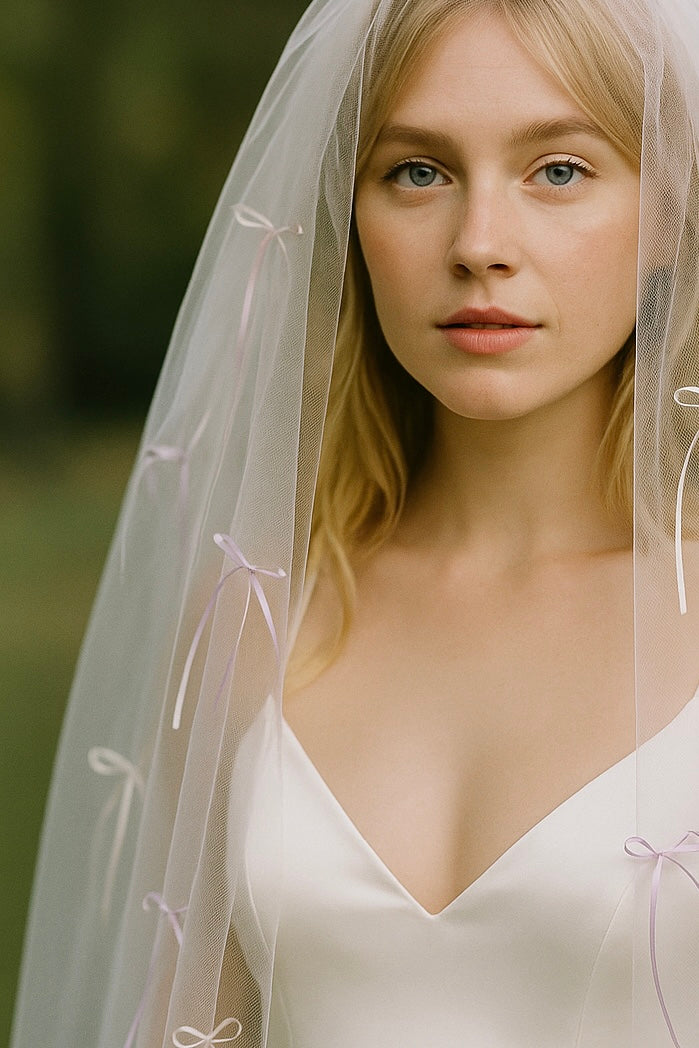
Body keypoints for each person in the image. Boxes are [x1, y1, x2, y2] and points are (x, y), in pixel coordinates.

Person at [10, 0, 699, 1046]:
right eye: (417, 171)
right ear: (348, 208)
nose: (480, 244)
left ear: (669, 207)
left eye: (557, 169)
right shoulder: (251, 622)